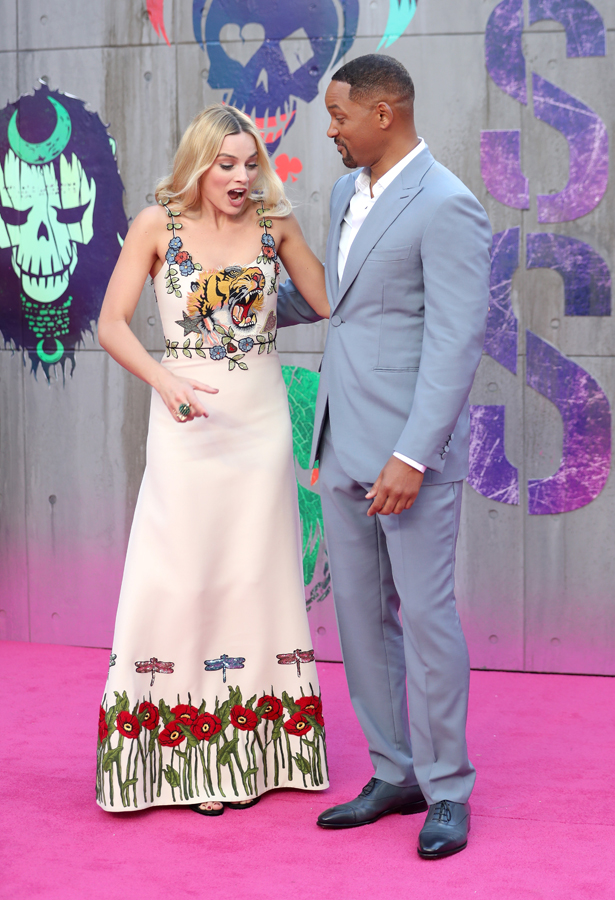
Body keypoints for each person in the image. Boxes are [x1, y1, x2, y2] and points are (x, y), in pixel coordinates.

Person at [277, 55, 492, 858]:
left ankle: (447, 787)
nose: (328, 129)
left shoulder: (447, 204)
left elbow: (454, 342)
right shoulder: (343, 193)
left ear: (383, 113)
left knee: (426, 621)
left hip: (408, 455)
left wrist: (413, 454)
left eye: (338, 115)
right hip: (340, 442)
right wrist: (223, 296)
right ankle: (392, 771)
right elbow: (340, 304)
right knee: (361, 622)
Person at [95, 104, 330, 815]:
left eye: (250, 164)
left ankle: (260, 755)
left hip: (260, 427)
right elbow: (110, 324)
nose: (239, 176)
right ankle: (177, 758)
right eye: (225, 164)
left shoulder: (273, 225)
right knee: (179, 575)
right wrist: (164, 380)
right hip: (186, 429)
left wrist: (302, 231)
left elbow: (325, 300)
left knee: (254, 575)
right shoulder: (155, 226)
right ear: (198, 164)